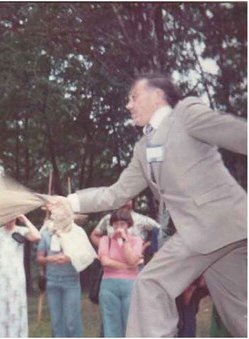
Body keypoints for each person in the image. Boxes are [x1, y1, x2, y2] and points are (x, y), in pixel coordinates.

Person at [49, 73, 247, 337]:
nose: (128, 105)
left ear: (157, 95)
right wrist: (71, 201)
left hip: (214, 223)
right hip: (218, 235)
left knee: (151, 283)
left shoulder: (185, 114)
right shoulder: (143, 148)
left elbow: (238, 133)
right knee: (240, 313)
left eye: (134, 97)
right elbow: (116, 194)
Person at [0, 215, 40, 337]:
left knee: (14, 307)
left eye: (12, 216)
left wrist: (25, 219)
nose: (9, 219)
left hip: (15, 277)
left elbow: (37, 236)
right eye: (8, 216)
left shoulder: (21, 231)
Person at [98, 207, 143, 337]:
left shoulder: (136, 240)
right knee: (110, 323)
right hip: (109, 285)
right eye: (116, 224)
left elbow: (132, 259)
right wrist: (127, 266)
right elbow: (105, 261)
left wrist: (125, 241)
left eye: (122, 224)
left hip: (130, 285)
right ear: (112, 225)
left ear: (128, 225)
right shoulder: (105, 240)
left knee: (130, 323)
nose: (118, 227)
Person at [36, 221, 84, 337]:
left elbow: (84, 255)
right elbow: (39, 259)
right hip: (52, 281)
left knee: (71, 321)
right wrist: (49, 259)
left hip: (71, 281)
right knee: (56, 322)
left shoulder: (76, 232)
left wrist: (68, 258)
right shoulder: (46, 234)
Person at [90, 199, 160, 256]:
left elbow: (161, 230)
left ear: (133, 201)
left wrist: (150, 246)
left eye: (128, 199)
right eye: (122, 199)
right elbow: (94, 235)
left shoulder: (143, 220)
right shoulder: (108, 218)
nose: (124, 202)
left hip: (135, 263)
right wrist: (106, 246)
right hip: (112, 262)